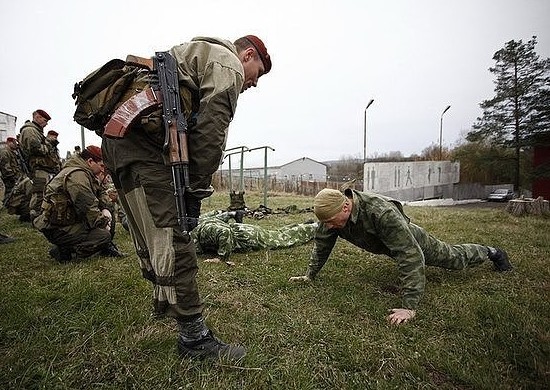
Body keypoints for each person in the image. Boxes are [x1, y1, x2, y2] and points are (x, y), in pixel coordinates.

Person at [102, 35, 271, 361]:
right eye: (258, 73)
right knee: (174, 233)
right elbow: (210, 132)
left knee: (151, 233)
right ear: (248, 55)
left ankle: (163, 303)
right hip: (142, 144)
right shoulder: (228, 64)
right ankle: (194, 340)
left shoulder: (196, 53)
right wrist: (195, 189)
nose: (253, 82)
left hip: (122, 141)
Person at [289, 188, 513, 325]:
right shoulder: (331, 216)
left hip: (412, 240)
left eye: (330, 222)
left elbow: (410, 255)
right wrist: (309, 275)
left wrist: (409, 306)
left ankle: (491, 252)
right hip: (389, 245)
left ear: (346, 207)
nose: (328, 227)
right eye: (325, 222)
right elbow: (322, 246)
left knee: (452, 258)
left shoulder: (381, 213)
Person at [33, 145, 124, 262]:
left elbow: (100, 193)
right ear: (90, 161)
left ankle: (102, 245)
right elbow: (88, 207)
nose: (103, 170)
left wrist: (106, 208)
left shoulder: (84, 172)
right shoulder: (78, 175)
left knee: (107, 215)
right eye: (101, 165)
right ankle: (67, 251)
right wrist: (104, 223)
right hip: (60, 227)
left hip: (68, 222)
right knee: (103, 236)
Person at [192, 210, 318, 262]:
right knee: (277, 233)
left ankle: (315, 227)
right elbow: (219, 214)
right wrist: (233, 214)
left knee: (284, 239)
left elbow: (224, 232)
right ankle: (302, 226)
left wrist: (221, 258)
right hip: (245, 231)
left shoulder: (202, 231)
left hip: (247, 237)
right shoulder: (201, 221)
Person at [18, 110, 60, 219]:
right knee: (39, 193)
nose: (46, 123)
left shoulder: (36, 131)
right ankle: (36, 217)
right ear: (37, 117)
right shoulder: (30, 131)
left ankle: (38, 215)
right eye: (45, 120)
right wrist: (49, 144)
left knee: (41, 192)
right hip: (38, 167)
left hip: (41, 167)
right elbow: (36, 149)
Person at [0, 137, 32, 221]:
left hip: (16, 176)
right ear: (9, 142)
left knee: (13, 193)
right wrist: (13, 177)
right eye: (14, 143)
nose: (16, 145)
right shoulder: (5, 152)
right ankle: (7, 207)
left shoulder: (12, 153)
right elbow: (5, 167)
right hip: (11, 177)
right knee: (10, 193)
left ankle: (8, 207)